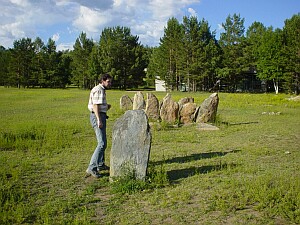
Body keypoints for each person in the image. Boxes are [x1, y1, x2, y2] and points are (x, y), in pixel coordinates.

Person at [86, 73, 112, 178]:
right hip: (98, 117)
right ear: (103, 81)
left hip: (101, 115)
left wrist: (106, 107)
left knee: (104, 143)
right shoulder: (99, 89)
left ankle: (100, 164)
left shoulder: (101, 89)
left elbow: (99, 104)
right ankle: (91, 167)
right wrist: (99, 120)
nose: (110, 83)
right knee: (101, 143)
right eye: (108, 81)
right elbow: (95, 105)